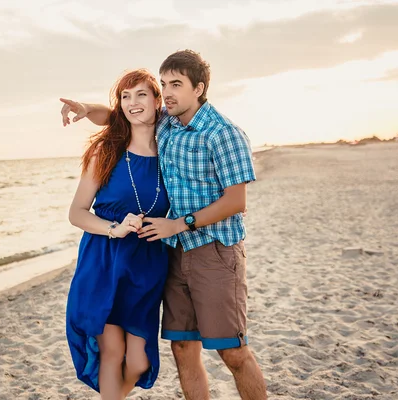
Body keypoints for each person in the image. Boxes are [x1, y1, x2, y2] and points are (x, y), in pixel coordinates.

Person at [61, 50, 267, 400]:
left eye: (174, 85)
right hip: (140, 260)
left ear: (195, 89)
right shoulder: (139, 138)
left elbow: (237, 202)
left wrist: (177, 225)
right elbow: (117, 116)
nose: (165, 93)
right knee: (175, 351)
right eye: (164, 84)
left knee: (216, 353)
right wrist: (84, 107)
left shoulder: (199, 133)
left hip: (187, 257)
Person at [65, 68, 170, 399]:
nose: (133, 103)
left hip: (147, 265)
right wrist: (115, 228)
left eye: (141, 95)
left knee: (138, 362)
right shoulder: (107, 151)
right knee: (112, 352)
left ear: (157, 101)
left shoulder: (172, 152)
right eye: (125, 96)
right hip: (105, 260)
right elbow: (76, 213)